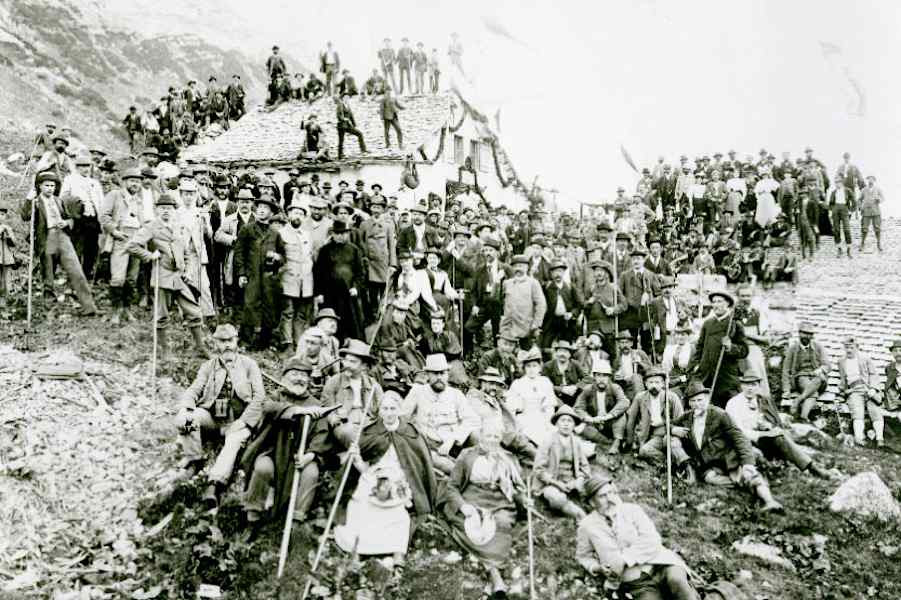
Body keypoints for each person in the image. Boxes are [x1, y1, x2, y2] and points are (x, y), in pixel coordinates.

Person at [334, 390, 438, 562]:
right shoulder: (370, 432)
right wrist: (356, 458)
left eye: (392, 408)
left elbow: (418, 466)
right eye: (385, 409)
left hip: (400, 480)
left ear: (399, 409)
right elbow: (361, 467)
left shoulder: (410, 432)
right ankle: (358, 552)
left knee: (398, 513)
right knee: (360, 507)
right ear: (380, 411)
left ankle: (397, 555)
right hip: (372, 477)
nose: (389, 413)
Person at [239, 358, 333, 532]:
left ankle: (295, 522)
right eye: (294, 374)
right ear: (284, 378)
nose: (299, 379)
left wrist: (310, 455)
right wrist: (298, 411)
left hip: (300, 456)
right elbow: (268, 408)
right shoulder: (276, 397)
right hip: (272, 453)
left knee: (311, 473)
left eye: (304, 375)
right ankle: (253, 518)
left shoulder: (316, 404)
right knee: (262, 468)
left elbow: (322, 434)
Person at [175, 324, 264, 505]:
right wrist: (186, 407)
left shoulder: (249, 365)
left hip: (238, 422)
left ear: (236, 340)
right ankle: (195, 460)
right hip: (213, 421)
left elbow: (259, 397)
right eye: (222, 342)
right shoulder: (208, 367)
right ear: (215, 344)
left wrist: (245, 421)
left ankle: (214, 484)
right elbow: (194, 390)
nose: (227, 346)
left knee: (233, 441)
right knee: (185, 421)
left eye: (230, 340)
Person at [439, 419, 530, 597]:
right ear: (481, 436)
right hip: (472, 498)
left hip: (500, 501)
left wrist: (524, 500)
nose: (492, 440)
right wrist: (463, 506)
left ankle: (492, 570)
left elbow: (516, 488)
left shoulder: (507, 458)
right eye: (488, 435)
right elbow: (452, 487)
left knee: (502, 523)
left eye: (496, 436)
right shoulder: (467, 455)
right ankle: (494, 573)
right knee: (471, 526)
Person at [576, 475, 700, 600]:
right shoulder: (587, 525)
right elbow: (583, 556)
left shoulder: (632, 510)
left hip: (661, 564)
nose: (610, 499)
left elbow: (652, 539)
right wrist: (597, 568)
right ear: (592, 502)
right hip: (636, 582)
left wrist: (624, 559)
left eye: (611, 493)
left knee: (677, 581)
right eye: (603, 496)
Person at [671, 381, 783, 511]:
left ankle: (769, 501)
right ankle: (744, 485)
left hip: (729, 458)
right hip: (711, 464)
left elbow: (739, 437)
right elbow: (669, 424)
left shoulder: (720, 414)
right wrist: (673, 429)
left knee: (747, 473)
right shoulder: (687, 418)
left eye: (700, 400)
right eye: (693, 401)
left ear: (707, 399)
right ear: (689, 403)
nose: (697, 404)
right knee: (710, 479)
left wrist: (747, 462)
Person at [726, 373, 837, 478]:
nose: (750, 388)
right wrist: (764, 433)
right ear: (741, 385)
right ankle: (813, 468)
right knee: (779, 437)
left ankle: (809, 466)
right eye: (746, 384)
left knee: (780, 434)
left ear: (758, 386)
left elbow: (761, 420)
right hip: (744, 441)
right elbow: (738, 432)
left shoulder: (759, 400)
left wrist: (767, 426)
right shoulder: (734, 403)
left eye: (753, 385)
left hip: (760, 438)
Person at [22, 172, 98, 314]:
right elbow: (25, 216)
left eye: (52, 186)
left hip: (62, 237)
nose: (50, 188)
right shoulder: (35, 202)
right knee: (48, 274)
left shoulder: (59, 201)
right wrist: (28, 199)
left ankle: (89, 306)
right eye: (47, 186)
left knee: (76, 270)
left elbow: (70, 219)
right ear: (40, 186)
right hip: (46, 238)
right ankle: (48, 307)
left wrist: (66, 223)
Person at [401, 353, 480, 473]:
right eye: (435, 373)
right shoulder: (418, 392)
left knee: (475, 436)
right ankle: (463, 473)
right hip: (430, 447)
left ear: (447, 375)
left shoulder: (455, 394)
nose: (439, 377)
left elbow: (472, 420)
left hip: (453, 444)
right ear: (427, 375)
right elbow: (402, 418)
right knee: (452, 468)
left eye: (442, 373)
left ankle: (476, 467)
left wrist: (453, 440)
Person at [234, 193, 283, 350]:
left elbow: (283, 257)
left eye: (265, 208)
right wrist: (241, 274)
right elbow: (239, 253)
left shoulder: (275, 234)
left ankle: (265, 342)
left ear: (271, 213)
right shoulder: (247, 230)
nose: (261, 210)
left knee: (269, 307)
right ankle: (245, 340)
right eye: (260, 207)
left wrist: (277, 257)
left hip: (269, 277)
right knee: (249, 305)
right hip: (252, 275)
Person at [101, 167, 148, 323]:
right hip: (120, 239)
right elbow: (104, 216)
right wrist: (114, 232)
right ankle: (116, 311)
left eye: (138, 181)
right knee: (118, 277)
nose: (135, 184)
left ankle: (127, 309)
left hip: (136, 240)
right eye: (132, 181)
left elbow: (143, 222)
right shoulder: (115, 195)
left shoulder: (139, 200)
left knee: (131, 278)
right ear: (125, 182)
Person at [687, 290, 747, 407]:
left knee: (729, 407)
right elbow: (700, 347)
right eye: (714, 302)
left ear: (727, 304)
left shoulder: (735, 324)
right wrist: (694, 365)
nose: (715, 305)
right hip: (706, 374)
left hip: (725, 376)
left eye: (719, 301)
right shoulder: (708, 324)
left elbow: (744, 350)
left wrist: (731, 347)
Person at [534, 405, 591, 520]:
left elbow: (585, 468)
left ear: (574, 425)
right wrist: (556, 483)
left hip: (571, 481)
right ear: (557, 423)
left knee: (598, 487)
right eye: (562, 420)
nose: (566, 424)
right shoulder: (548, 441)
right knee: (556, 497)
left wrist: (576, 481)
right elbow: (539, 469)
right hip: (551, 483)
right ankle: (578, 515)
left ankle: (603, 513)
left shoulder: (576, 442)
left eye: (570, 421)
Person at [313, 220, 366, 341]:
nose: (341, 236)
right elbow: (318, 273)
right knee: (331, 321)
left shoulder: (354, 250)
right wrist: (319, 293)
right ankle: (332, 345)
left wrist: (356, 287)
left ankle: (353, 347)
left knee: (352, 322)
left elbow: (360, 272)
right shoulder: (325, 250)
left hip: (348, 294)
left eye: (344, 233)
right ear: (333, 234)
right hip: (329, 295)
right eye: (338, 233)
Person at [465, 367, 535, 458]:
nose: (494, 387)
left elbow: (515, 409)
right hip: (487, 434)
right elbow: (486, 416)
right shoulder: (475, 396)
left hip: (504, 435)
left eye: (497, 385)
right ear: (482, 383)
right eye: (491, 384)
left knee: (525, 440)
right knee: (519, 443)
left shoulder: (498, 400)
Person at [277, 199, 314, 349]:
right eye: (295, 212)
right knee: (288, 312)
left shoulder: (307, 235)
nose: (297, 216)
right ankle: (286, 343)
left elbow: (310, 256)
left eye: (301, 213)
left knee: (301, 314)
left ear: (304, 217)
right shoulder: (281, 233)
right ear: (289, 214)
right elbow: (278, 256)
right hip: (288, 278)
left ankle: (299, 342)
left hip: (305, 280)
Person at [59, 154, 103, 279]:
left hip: (93, 219)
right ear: (77, 167)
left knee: (91, 248)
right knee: (77, 247)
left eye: (87, 166)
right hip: (78, 218)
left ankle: (87, 273)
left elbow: (101, 201)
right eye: (82, 166)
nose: (85, 169)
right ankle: (73, 276)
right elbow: (63, 198)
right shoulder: (70, 179)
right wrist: (72, 209)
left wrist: (101, 217)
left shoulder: (95, 183)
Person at [837, 337, 885, 447]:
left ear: (857, 348)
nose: (849, 350)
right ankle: (859, 438)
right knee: (857, 411)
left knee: (875, 410)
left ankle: (879, 439)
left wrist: (873, 389)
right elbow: (843, 379)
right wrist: (844, 390)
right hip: (854, 391)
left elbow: (873, 374)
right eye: (847, 347)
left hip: (867, 388)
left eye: (851, 347)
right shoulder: (841, 361)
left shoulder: (865, 359)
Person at [506, 347, 558, 447]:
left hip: (542, 416)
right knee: (528, 434)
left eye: (534, 366)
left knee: (552, 435)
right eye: (528, 366)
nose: (531, 369)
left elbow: (549, 406)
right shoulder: (518, 383)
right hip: (524, 417)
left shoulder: (545, 382)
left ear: (539, 367)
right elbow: (512, 408)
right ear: (524, 368)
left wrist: (548, 421)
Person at [575, 362, 630, 455]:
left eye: (605, 376)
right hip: (595, 422)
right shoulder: (588, 389)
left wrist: (608, 416)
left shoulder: (615, 388)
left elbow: (624, 402)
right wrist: (590, 418)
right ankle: (606, 442)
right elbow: (578, 407)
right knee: (579, 427)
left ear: (609, 378)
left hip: (611, 422)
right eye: (598, 375)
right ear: (594, 377)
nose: (601, 379)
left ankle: (617, 442)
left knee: (621, 415)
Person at [781, 322, 831, 421]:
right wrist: (786, 390)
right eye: (804, 333)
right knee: (813, 393)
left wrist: (820, 369)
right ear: (799, 333)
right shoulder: (793, 349)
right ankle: (804, 417)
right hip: (802, 377)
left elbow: (828, 365)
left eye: (809, 334)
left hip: (818, 379)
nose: (806, 336)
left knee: (819, 379)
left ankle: (798, 400)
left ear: (812, 336)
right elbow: (786, 370)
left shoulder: (818, 346)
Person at [358, 195, 397, 315]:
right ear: (370, 208)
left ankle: (382, 314)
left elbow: (391, 246)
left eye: (379, 207)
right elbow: (361, 243)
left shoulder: (388, 225)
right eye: (374, 207)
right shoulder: (364, 224)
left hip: (383, 263)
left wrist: (393, 264)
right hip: (370, 264)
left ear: (383, 209)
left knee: (384, 291)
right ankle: (373, 314)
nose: (376, 210)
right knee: (372, 291)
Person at [500, 254, 546, 348]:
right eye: (515, 266)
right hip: (509, 327)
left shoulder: (533, 283)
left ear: (527, 268)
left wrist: (536, 324)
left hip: (526, 328)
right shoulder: (507, 283)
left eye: (521, 266)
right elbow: (503, 302)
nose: (518, 269)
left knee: (526, 355)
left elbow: (541, 305)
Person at [584, 261, 627, 359]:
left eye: (601, 271)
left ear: (606, 274)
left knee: (611, 354)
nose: (598, 273)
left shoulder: (613, 288)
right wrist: (589, 303)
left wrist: (614, 309)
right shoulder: (591, 289)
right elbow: (585, 308)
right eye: (596, 271)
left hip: (608, 328)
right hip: (593, 328)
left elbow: (624, 304)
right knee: (593, 354)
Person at [542, 260, 583, 346]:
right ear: (551, 274)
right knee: (546, 345)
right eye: (555, 272)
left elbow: (579, 304)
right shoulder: (546, 288)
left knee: (567, 345)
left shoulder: (570, 287)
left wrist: (572, 314)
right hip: (551, 323)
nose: (557, 274)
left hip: (567, 323)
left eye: (560, 271)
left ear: (564, 272)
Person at [542, 340, 590, 407]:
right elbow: (544, 384)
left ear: (569, 354)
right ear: (556, 353)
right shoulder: (548, 366)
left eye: (565, 351)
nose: (562, 354)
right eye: (560, 351)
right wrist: (561, 389)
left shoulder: (575, 364)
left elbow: (588, 379)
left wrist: (576, 387)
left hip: (573, 397)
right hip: (555, 398)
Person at [335, 93, 367, 159]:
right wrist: (343, 119)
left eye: (348, 98)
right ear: (343, 98)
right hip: (341, 126)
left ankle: (363, 150)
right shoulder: (340, 105)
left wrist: (354, 124)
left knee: (359, 134)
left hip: (348, 125)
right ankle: (340, 155)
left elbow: (351, 115)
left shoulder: (348, 105)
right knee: (341, 141)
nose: (347, 99)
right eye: (345, 97)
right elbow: (338, 115)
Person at [828, 179, 853, 258]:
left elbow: (854, 200)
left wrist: (851, 210)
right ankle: (839, 248)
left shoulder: (847, 191)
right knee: (836, 230)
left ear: (842, 183)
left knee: (847, 229)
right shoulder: (833, 192)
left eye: (839, 183)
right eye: (836, 183)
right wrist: (832, 210)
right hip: (836, 209)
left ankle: (849, 249)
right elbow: (831, 203)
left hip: (844, 208)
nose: (837, 184)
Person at [859, 175, 883, 252]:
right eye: (869, 179)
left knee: (877, 228)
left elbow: (882, 198)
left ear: (874, 180)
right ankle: (862, 243)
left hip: (876, 211)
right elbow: (859, 199)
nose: (870, 180)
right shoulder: (863, 190)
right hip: (866, 212)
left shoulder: (878, 189)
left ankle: (879, 243)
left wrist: (879, 199)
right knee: (864, 229)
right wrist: (860, 207)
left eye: (872, 179)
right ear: (867, 180)